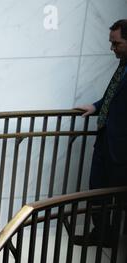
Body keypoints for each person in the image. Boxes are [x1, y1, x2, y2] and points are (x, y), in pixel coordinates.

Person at [73, 19, 127, 247]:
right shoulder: (123, 64)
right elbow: (114, 94)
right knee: (97, 188)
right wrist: (97, 106)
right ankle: (102, 233)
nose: (112, 48)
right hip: (106, 139)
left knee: (116, 195)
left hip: (121, 146)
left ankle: (111, 236)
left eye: (116, 44)